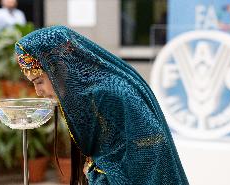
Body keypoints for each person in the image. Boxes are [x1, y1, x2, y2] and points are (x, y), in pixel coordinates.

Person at [15, 25, 189, 185]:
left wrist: (105, 171)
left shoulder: (111, 92)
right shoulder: (87, 94)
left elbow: (153, 144)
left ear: (59, 68)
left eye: (39, 81)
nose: (38, 91)